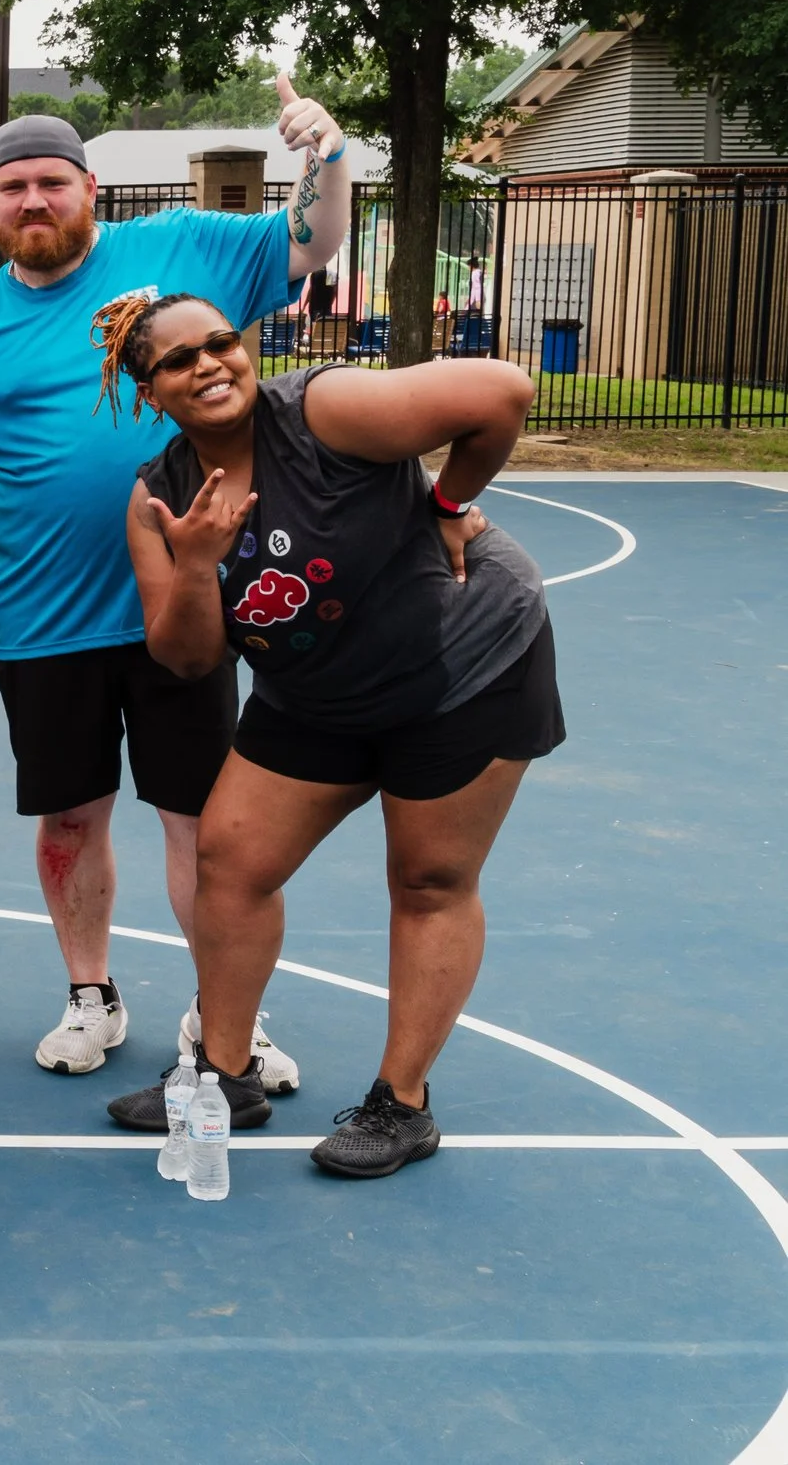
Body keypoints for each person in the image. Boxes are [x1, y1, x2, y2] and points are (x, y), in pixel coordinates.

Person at [0, 83, 351, 1082]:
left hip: (184, 605)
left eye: (52, 184)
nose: (35, 202)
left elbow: (309, 241)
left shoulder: (182, 249)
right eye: (14, 187)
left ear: (89, 190)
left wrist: (325, 156)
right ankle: (89, 996)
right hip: (44, 617)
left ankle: (222, 1010)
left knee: (200, 821)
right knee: (69, 817)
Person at [95, 296, 559, 1176]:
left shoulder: (323, 412)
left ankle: (402, 1103)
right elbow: (190, 659)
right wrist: (196, 564)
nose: (210, 365)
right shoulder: (160, 500)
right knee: (232, 862)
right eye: (179, 361)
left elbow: (502, 391)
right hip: (316, 690)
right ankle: (222, 1075)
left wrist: (449, 501)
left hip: (460, 662)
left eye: (222, 343)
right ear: (149, 392)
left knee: (428, 877)